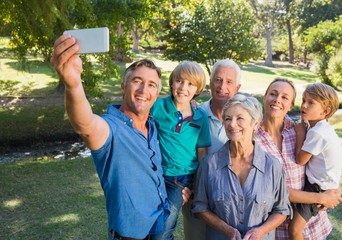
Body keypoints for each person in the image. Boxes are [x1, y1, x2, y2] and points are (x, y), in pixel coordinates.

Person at [51, 34, 169, 240]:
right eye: (137, 81)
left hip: (160, 228)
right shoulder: (111, 128)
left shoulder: (152, 125)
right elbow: (85, 125)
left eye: (151, 85)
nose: (144, 90)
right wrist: (73, 83)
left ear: (157, 94)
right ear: (124, 87)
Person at [192, 93, 291, 240]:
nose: (232, 124)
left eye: (240, 118)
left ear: (255, 123)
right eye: (227, 119)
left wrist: (260, 231)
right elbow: (200, 208)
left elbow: (282, 210)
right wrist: (227, 231)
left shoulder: (272, 166)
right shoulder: (209, 164)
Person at [254, 78, 342, 239]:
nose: (277, 100)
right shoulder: (252, 139)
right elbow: (269, 190)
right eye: (273, 94)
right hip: (277, 230)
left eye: (285, 97)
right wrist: (322, 197)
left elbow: (327, 159)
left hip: (314, 226)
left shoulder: (301, 129)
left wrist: (332, 191)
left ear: (290, 105)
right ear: (265, 97)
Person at [150, 61, 211, 240]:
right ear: (172, 83)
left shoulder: (201, 117)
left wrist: (198, 186)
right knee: (148, 222)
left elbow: (202, 154)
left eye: (190, 84)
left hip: (180, 180)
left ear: (197, 89)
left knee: (164, 228)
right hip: (154, 175)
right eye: (179, 81)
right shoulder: (158, 107)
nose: (183, 87)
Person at [182, 59, 241, 240]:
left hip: (231, 203)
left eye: (229, 82)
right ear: (210, 82)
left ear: (237, 88)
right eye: (218, 80)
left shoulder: (245, 119)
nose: (222, 86)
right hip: (196, 199)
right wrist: (181, 184)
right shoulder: (193, 114)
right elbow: (178, 152)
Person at [288, 83, 342, 240]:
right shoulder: (322, 128)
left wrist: (300, 133)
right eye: (304, 100)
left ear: (325, 111)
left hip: (317, 188)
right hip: (325, 183)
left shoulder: (318, 133)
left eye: (311, 102)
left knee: (294, 229)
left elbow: (300, 160)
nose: (304, 105)